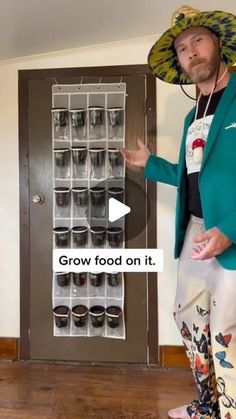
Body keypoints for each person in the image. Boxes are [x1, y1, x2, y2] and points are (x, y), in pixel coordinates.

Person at [120, 5, 236, 419]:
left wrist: (232, 228)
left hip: (232, 237)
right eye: (183, 48)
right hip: (196, 231)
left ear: (219, 44)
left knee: (228, 331)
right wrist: (149, 164)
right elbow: (193, 176)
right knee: (189, 319)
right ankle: (207, 406)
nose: (191, 52)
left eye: (198, 41)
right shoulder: (193, 115)